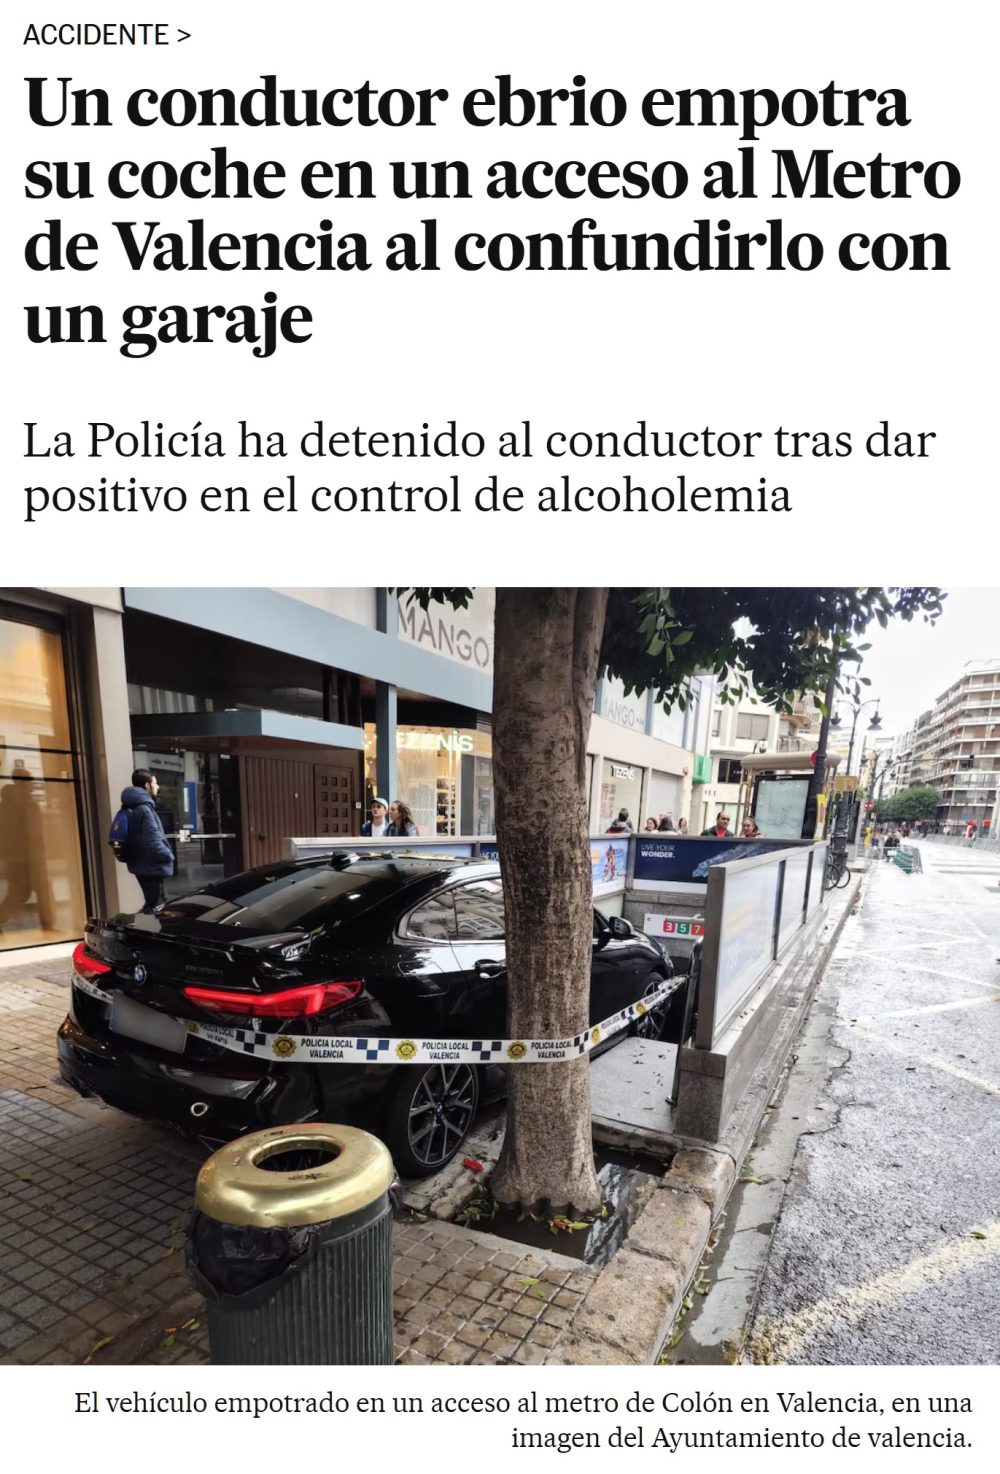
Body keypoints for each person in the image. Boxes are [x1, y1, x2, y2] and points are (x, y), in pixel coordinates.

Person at [119, 769, 174, 913]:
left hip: (139, 865)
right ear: (147, 786)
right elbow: (152, 841)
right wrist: (169, 856)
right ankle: (142, 932)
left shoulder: (129, 806)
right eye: (155, 783)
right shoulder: (144, 808)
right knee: (157, 907)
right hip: (151, 867)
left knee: (152, 904)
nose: (157, 787)